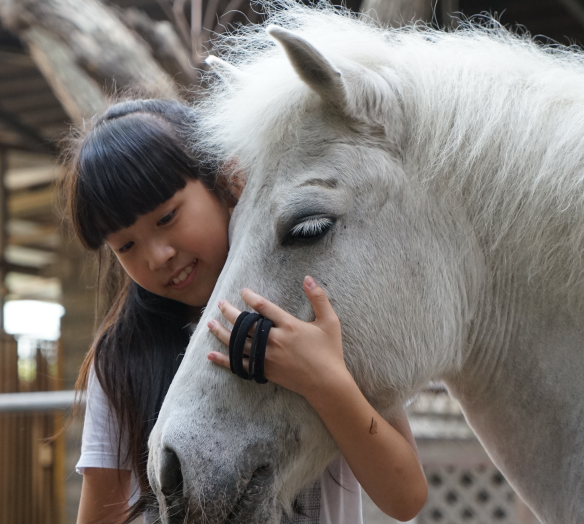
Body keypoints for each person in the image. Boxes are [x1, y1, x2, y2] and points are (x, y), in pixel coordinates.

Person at [61, 99, 428, 524]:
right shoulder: (123, 358)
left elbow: (405, 497)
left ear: (226, 180)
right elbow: (101, 512)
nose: (158, 256)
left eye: (167, 218)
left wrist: (325, 382)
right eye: (126, 246)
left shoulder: (313, 308)